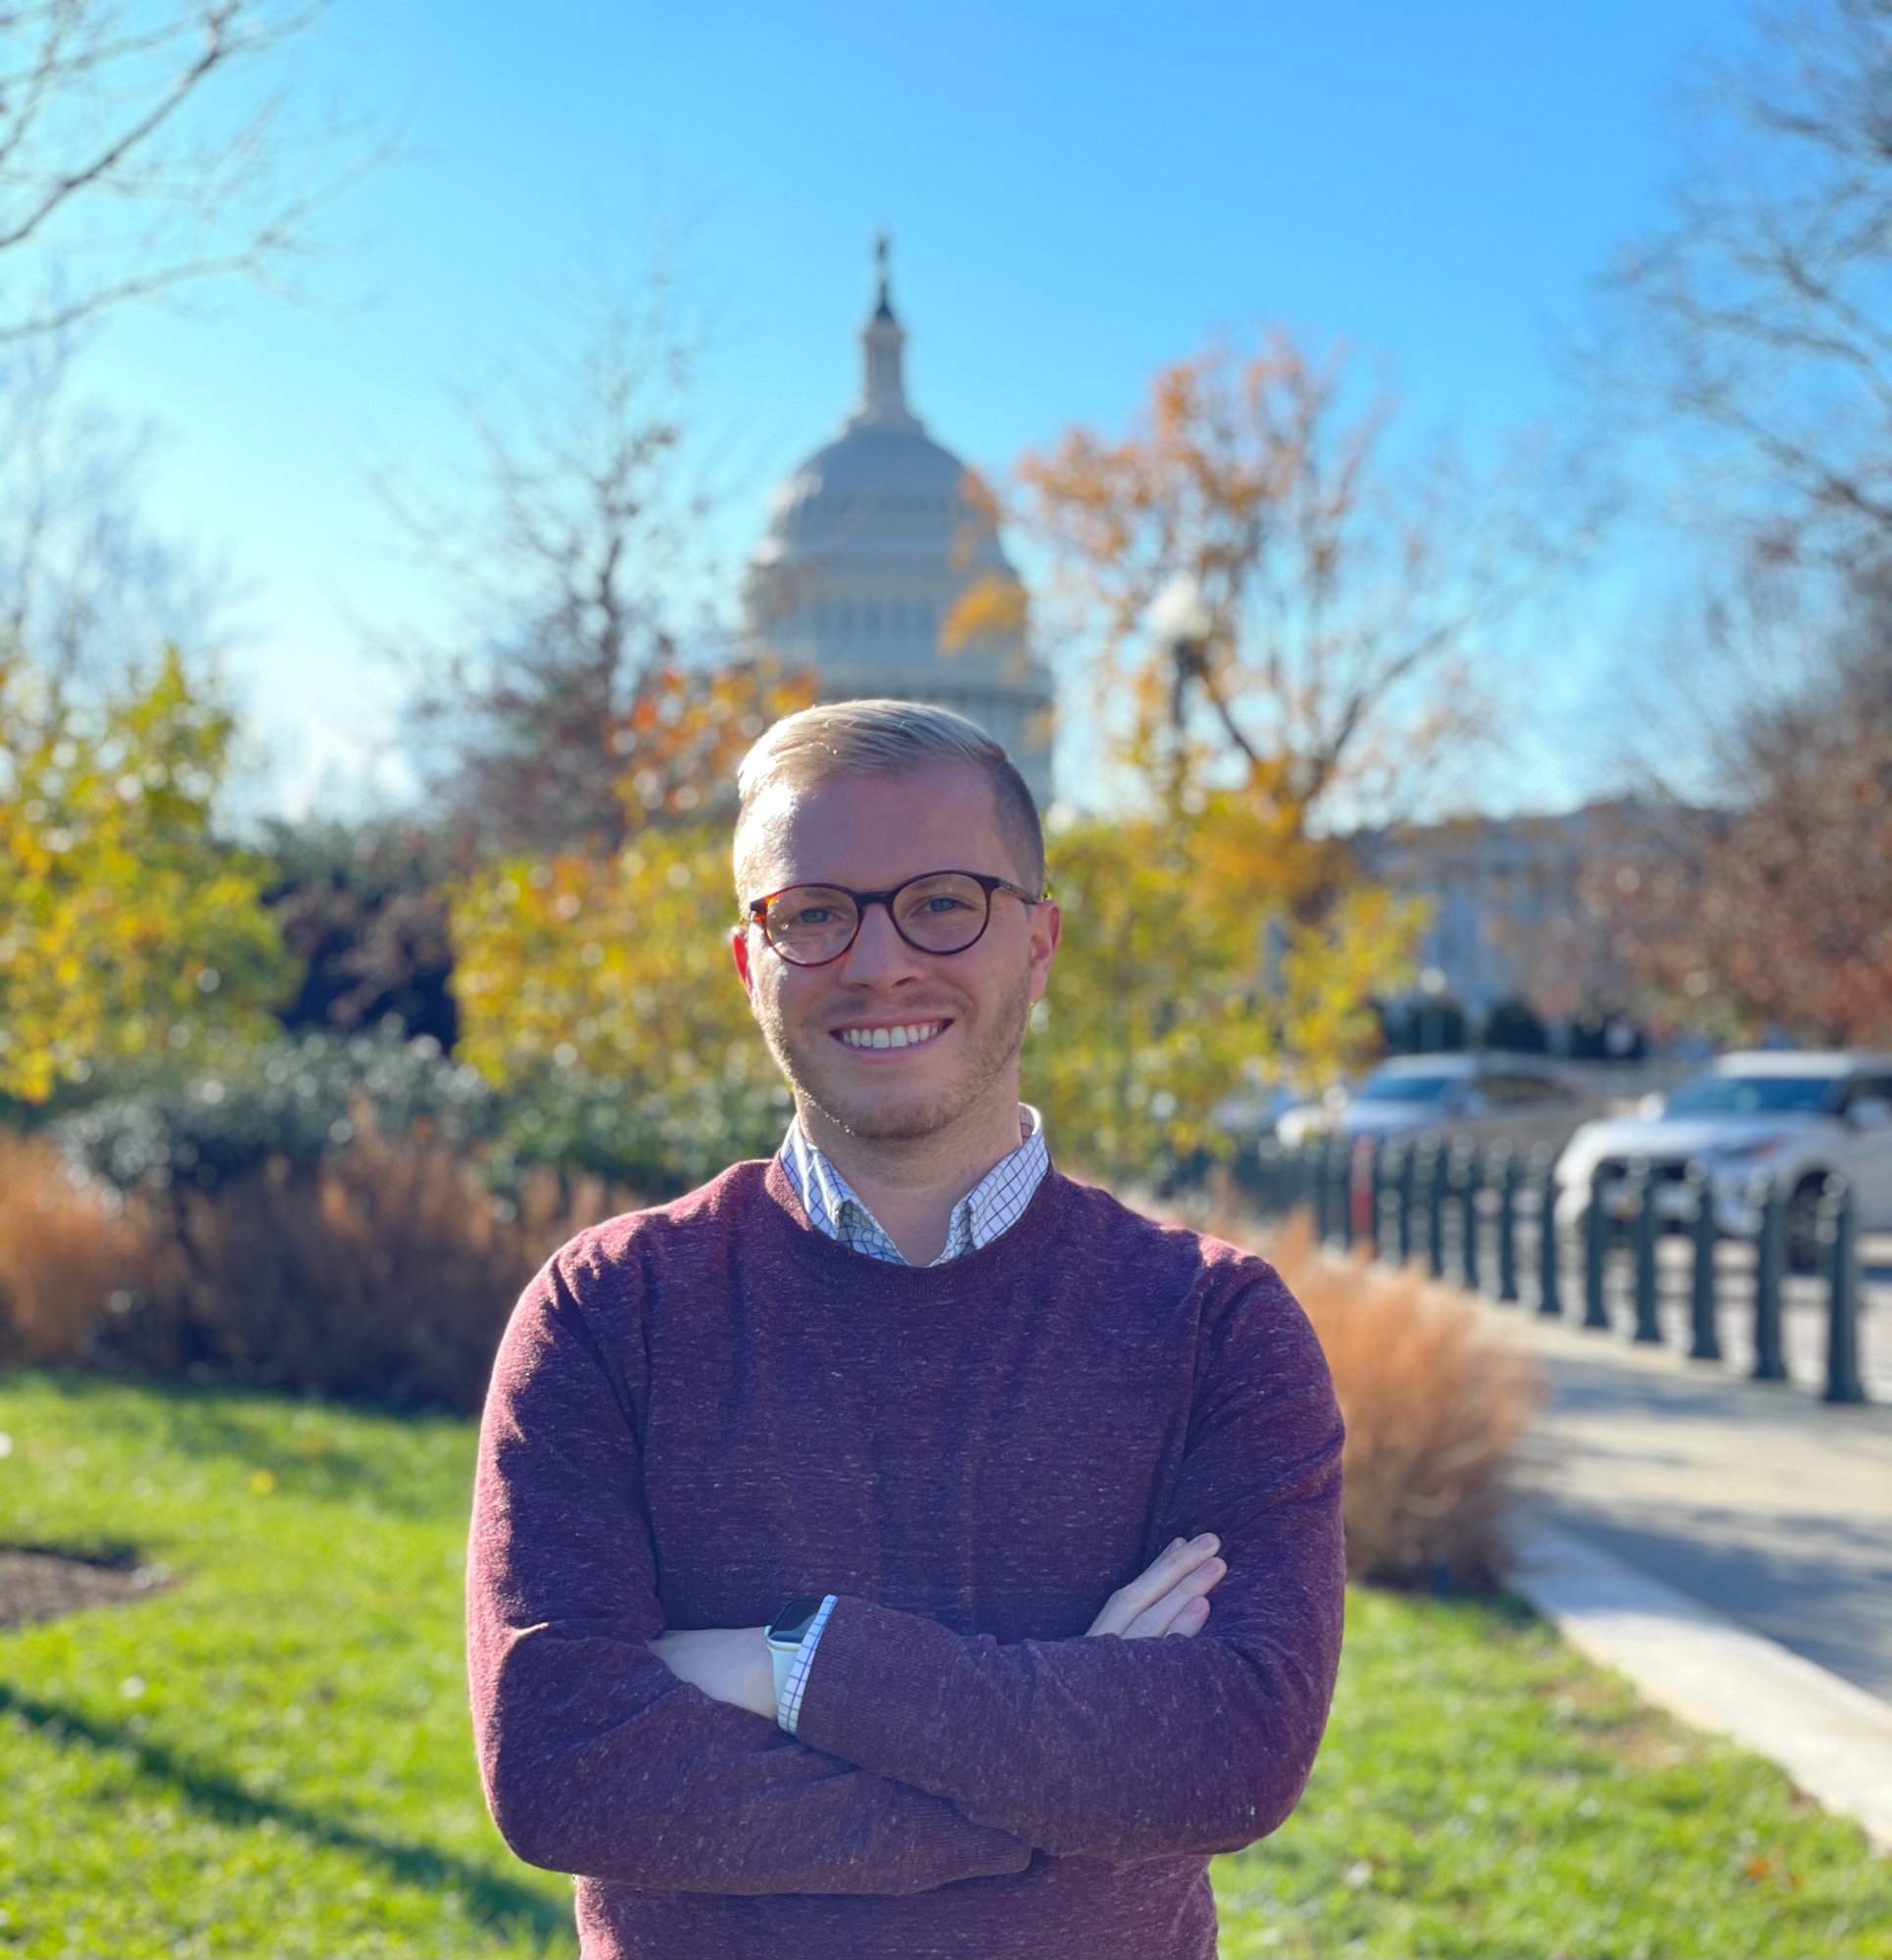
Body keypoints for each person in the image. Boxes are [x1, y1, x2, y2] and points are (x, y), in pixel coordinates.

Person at [465, 700, 1345, 1960]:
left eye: (942, 900)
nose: (877, 960)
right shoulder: (608, 1311)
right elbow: (560, 1761)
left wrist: (795, 1667)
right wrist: (1053, 1781)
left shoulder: (1213, 1325)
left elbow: (1231, 1757)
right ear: (747, 959)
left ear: (1037, 941)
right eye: (812, 911)